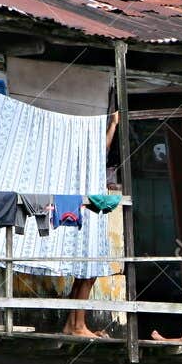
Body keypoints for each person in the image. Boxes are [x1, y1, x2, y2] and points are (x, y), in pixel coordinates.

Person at [61, 109, 124, 339]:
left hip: (81, 215)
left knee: (84, 275)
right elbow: (104, 148)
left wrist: (113, 124)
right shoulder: (88, 161)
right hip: (88, 218)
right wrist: (113, 125)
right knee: (88, 274)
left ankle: (73, 324)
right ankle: (78, 326)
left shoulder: (75, 161)